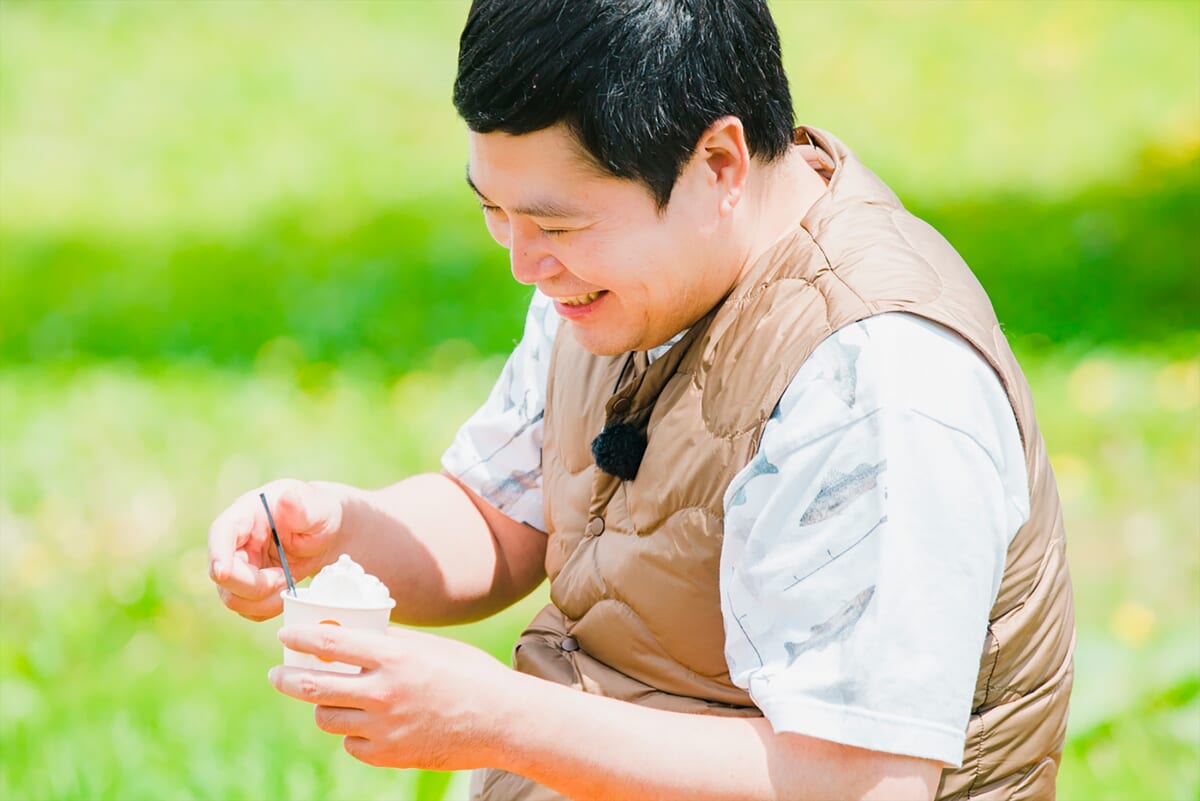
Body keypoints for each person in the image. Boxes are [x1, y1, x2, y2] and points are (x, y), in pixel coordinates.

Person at [207, 2, 1074, 799]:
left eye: (555, 223)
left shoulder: (878, 378)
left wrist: (501, 718)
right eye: (495, 213)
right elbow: (508, 512)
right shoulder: (617, 280)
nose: (522, 262)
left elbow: (858, 782)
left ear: (718, 164)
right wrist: (346, 532)